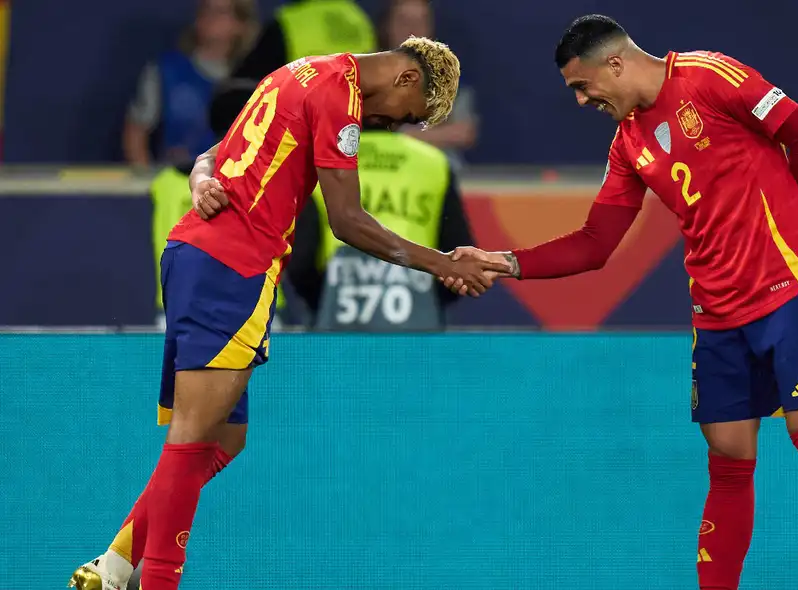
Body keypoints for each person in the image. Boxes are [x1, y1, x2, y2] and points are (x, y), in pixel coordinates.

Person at [445, 15, 798, 589]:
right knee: (727, 460)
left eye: (582, 85)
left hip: (788, 289)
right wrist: (505, 262)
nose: (580, 100)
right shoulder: (629, 143)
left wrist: (788, 216)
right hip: (716, 312)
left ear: (615, 63)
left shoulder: (708, 76)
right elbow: (596, 244)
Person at [68, 37, 505, 590]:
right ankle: (155, 581)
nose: (391, 125)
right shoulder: (340, 99)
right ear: (407, 80)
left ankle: (114, 567)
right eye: (406, 117)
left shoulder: (296, 72)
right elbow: (347, 221)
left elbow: (211, 154)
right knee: (193, 438)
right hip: (232, 265)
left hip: (205, 258)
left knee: (225, 441)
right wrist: (441, 264)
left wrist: (203, 180)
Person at [287, 128, 476, 331]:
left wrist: (324, 302)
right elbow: (460, 256)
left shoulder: (319, 161)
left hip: (335, 325)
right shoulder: (434, 162)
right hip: (418, 329)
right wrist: (428, 301)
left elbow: (301, 262)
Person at [208, 0, 377, 139]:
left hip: (301, 137)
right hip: (354, 135)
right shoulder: (360, 21)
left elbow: (239, 91)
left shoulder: (290, 22)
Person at [123, 0, 258, 168]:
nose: (210, 17)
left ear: (240, 24)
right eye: (205, 9)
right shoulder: (166, 71)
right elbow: (136, 131)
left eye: (220, 12)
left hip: (235, 187)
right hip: (179, 184)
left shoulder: (256, 79)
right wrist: (144, 179)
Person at [378, 0, 479, 168]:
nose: (412, 30)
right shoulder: (366, 76)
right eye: (404, 22)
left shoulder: (449, 76)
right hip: (382, 171)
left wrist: (401, 135)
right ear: (387, 26)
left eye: (420, 22)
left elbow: (464, 133)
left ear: (430, 28)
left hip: (439, 171)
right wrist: (436, 134)